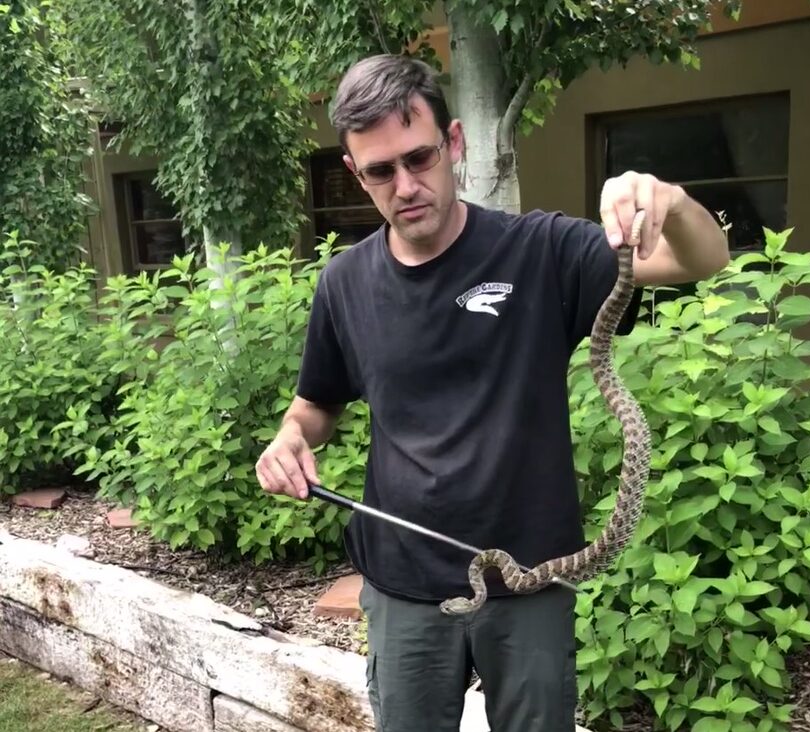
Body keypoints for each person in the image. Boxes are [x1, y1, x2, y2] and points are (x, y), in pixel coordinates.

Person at [256, 54, 729, 732]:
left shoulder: (539, 252)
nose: (406, 184)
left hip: (532, 581)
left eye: (419, 158)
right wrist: (290, 437)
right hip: (404, 585)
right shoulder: (345, 284)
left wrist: (671, 201)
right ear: (358, 175)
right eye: (381, 171)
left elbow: (702, 260)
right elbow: (316, 405)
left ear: (454, 143)